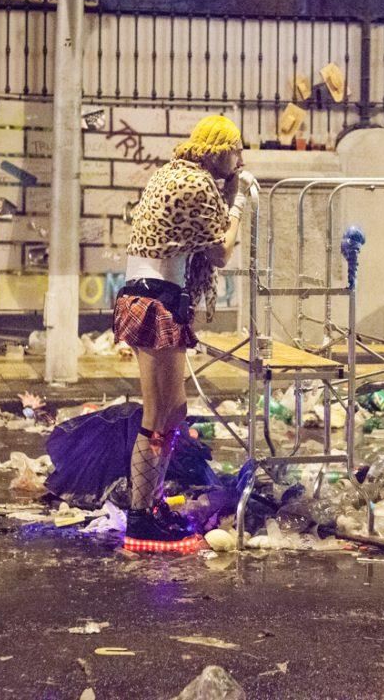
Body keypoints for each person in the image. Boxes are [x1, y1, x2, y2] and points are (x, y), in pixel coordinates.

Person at [113, 114, 249, 543]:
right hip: (154, 298)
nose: (241, 158)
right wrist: (239, 205)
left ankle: (149, 503)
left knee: (172, 414)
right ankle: (140, 516)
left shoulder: (177, 174)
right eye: (236, 149)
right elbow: (222, 252)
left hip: (154, 295)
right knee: (160, 415)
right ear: (217, 150)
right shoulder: (194, 184)